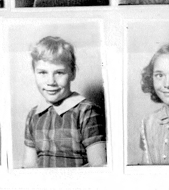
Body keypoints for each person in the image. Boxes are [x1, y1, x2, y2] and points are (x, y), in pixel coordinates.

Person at [23, 36, 107, 167]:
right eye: (42, 72)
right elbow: (29, 165)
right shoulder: (33, 115)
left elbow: (99, 165)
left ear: (72, 73)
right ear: (34, 72)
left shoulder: (86, 111)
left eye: (59, 73)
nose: (51, 81)